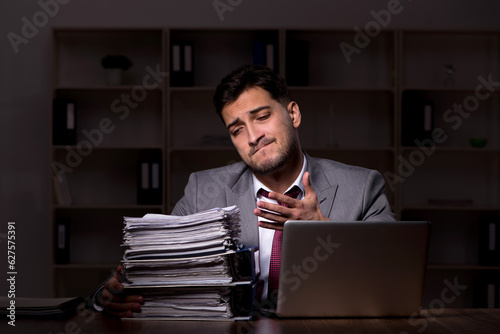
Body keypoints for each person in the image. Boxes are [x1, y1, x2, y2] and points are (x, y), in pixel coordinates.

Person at [91, 64, 395, 317]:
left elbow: (393, 276)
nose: (253, 136)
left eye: (262, 117)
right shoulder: (203, 190)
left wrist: (325, 230)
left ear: (293, 114)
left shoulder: (362, 186)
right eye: (237, 130)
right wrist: (112, 292)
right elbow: (154, 267)